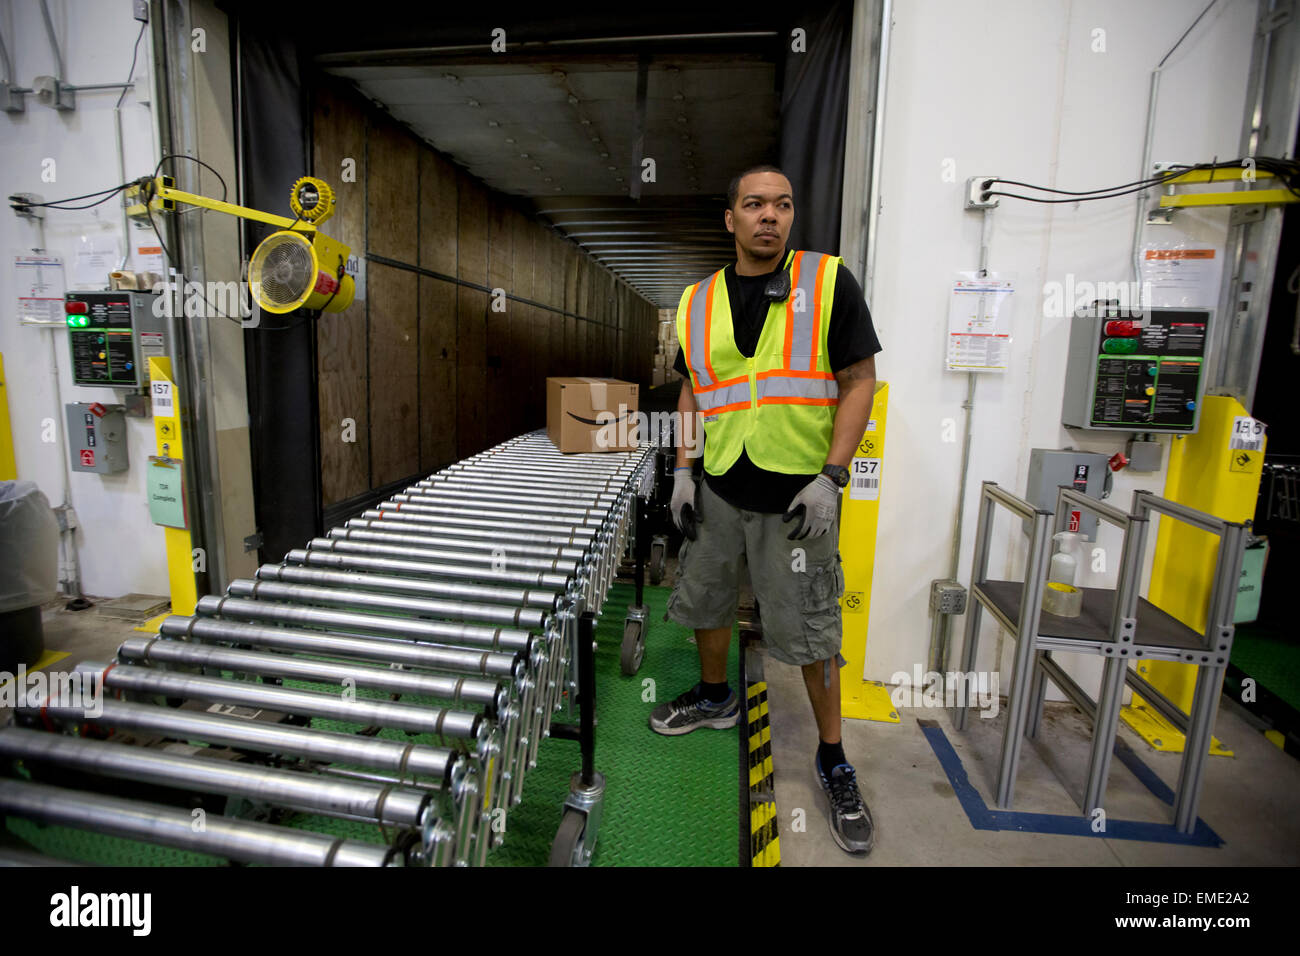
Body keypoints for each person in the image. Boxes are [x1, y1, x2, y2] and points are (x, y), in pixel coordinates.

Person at [650, 164, 882, 855]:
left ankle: (833, 758)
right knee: (708, 597)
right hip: (720, 487)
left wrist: (832, 478)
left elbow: (860, 379)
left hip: (797, 498)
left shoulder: (829, 282)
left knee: (811, 629)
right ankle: (716, 696)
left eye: (781, 205)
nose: (769, 216)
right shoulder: (696, 300)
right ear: (731, 219)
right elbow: (695, 391)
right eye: (754, 204)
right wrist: (684, 471)